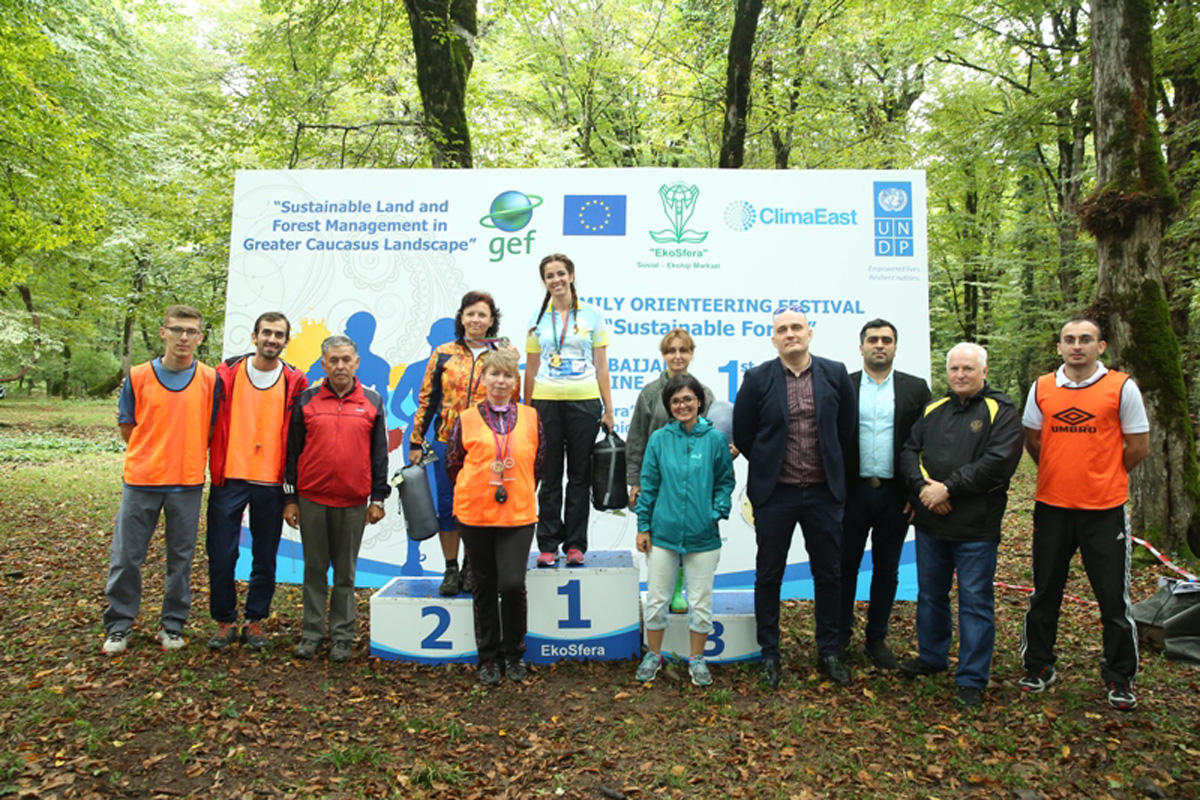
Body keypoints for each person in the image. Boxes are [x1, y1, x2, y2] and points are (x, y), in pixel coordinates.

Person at [1018, 318, 1149, 711]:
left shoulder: (1121, 387)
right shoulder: (1042, 387)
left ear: (1101, 346)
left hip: (1104, 511)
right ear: (1059, 347)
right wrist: (1062, 472)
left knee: (1113, 600)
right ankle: (1038, 665)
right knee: (1044, 592)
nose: (1077, 346)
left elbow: (1138, 446)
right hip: (1053, 508)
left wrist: (1103, 475)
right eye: (1070, 340)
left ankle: (1119, 676)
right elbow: (1033, 440)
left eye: (1085, 340)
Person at [732, 306, 856, 688]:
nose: (790, 334)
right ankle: (769, 652)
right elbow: (745, 431)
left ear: (810, 333)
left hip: (823, 492)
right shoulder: (757, 378)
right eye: (782, 329)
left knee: (829, 574)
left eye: (797, 327)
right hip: (776, 495)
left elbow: (846, 430)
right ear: (774, 338)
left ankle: (829, 651)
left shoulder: (835, 374)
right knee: (769, 575)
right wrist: (771, 466)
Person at [898, 342, 1023, 707]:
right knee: (930, 595)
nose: (961, 375)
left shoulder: (1002, 410)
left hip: (976, 526)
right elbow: (910, 451)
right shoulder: (934, 408)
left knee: (974, 602)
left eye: (968, 369)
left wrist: (948, 488)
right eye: (955, 369)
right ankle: (932, 656)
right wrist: (923, 489)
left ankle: (971, 677)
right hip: (930, 522)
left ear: (984, 371)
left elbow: (998, 463)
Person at [102, 305, 217, 655]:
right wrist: (152, 453)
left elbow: (212, 427)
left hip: (186, 482)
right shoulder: (137, 376)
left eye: (192, 331)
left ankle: (172, 625)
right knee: (126, 557)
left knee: (180, 559)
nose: (184, 337)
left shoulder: (210, 379)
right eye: (178, 329)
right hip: (141, 480)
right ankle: (119, 626)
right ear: (163, 331)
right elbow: (128, 426)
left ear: (200, 338)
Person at [283, 335, 390, 662]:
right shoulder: (306, 400)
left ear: (356, 362)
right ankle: (312, 633)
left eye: (346, 359)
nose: (340, 366)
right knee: (314, 569)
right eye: (334, 360)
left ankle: (343, 636)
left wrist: (379, 498)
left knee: (345, 573)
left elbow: (379, 454)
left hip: (353, 502)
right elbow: (292, 451)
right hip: (312, 499)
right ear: (324, 363)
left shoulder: (371, 401)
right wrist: (290, 498)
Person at [206, 312, 308, 651]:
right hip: (230, 476)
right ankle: (224, 621)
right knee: (222, 553)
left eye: (279, 335)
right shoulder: (227, 373)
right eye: (267, 333)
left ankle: (255, 621)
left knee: (265, 555)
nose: (272, 340)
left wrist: (292, 487)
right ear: (254, 336)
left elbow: (298, 436)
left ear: (286, 341)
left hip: (271, 481)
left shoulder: (295, 380)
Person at [408, 292, 518, 596]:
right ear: (461, 317)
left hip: (486, 444)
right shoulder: (443, 352)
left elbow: (513, 398)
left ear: (492, 320)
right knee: (448, 507)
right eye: (470, 314)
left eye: (482, 315)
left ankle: (473, 567)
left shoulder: (502, 353)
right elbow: (427, 399)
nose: (476, 320)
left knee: (480, 507)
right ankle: (451, 568)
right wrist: (417, 440)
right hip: (446, 442)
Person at [445, 350, 544, 685]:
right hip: (475, 514)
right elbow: (454, 464)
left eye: (508, 376)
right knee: (483, 584)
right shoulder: (467, 417)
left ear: (516, 382)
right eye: (494, 375)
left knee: (512, 584)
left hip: (517, 514)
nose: (501, 382)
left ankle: (514, 653)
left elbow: (538, 462)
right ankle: (488, 657)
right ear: (483, 379)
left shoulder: (531, 417)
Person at [838, 319, 930, 670]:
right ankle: (841, 634)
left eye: (886, 340)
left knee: (887, 569)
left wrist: (916, 490)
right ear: (861, 347)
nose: (880, 345)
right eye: (873, 340)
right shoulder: (843, 386)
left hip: (895, 495)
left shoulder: (915, 389)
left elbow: (926, 443)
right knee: (844, 567)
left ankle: (876, 637)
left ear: (895, 347)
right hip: (852, 493)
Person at [634, 375, 735, 687]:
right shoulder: (660, 440)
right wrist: (644, 526)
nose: (682, 405)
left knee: (701, 602)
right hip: (663, 534)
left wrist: (715, 512)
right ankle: (653, 654)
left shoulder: (716, 439)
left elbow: (725, 481)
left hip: (703, 537)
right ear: (669, 406)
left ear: (699, 402)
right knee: (657, 599)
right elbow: (648, 484)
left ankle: (698, 659)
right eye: (676, 401)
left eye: (688, 399)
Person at [525, 253, 614, 567]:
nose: (556, 280)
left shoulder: (592, 316)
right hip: (546, 402)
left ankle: (575, 545)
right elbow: (531, 369)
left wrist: (609, 409)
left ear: (571, 275)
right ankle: (548, 544)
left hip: (585, 401)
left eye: (561, 273)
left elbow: (602, 366)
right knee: (549, 477)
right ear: (545, 281)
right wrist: (527, 409)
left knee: (579, 477)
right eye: (550, 276)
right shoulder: (537, 319)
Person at [626, 328, 716, 613]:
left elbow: (715, 436)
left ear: (691, 353)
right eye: (671, 351)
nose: (677, 356)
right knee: (660, 538)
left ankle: (681, 590)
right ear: (663, 355)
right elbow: (637, 438)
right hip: (660, 481)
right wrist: (635, 480)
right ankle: (663, 592)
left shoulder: (704, 393)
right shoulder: (651, 393)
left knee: (689, 536)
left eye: (683, 350)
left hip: (694, 481)